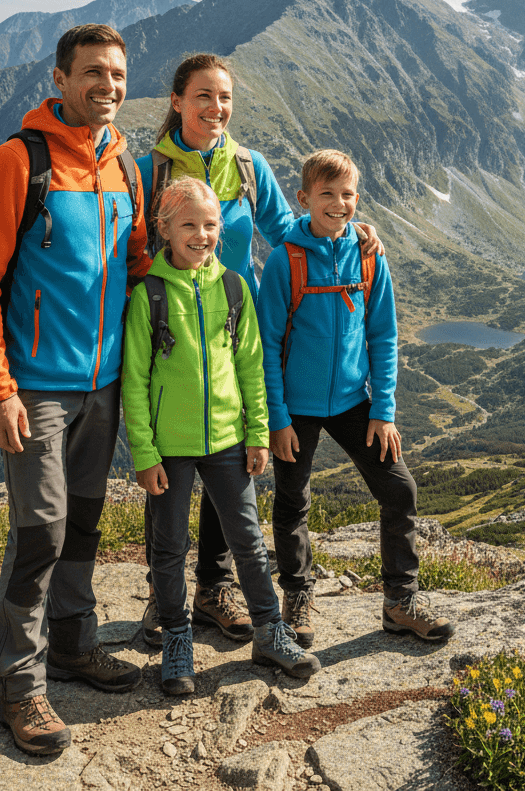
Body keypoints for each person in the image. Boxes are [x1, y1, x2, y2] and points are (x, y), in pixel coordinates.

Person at [136, 53, 382, 647]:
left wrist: (353, 234)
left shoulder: (249, 168)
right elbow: (127, 245)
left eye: (223, 97)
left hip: (226, 328)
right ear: (177, 102)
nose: (215, 108)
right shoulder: (147, 171)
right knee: (168, 474)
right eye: (203, 96)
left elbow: (289, 229)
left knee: (223, 461)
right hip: (165, 327)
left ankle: (213, 590)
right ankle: (161, 600)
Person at [0, 24, 149, 755]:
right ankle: (21, 687)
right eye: (94, 73)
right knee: (38, 533)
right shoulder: (16, 162)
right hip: (35, 387)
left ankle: (73, 645)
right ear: (62, 79)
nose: (108, 86)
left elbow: (135, 267)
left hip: (103, 387)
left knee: (87, 524)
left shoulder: (124, 169)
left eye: (118, 75)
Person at [121, 177, 320, 692]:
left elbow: (251, 365)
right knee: (168, 548)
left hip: (230, 440)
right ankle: (177, 639)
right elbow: (134, 384)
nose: (202, 234)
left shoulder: (233, 287)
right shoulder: (150, 294)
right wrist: (145, 452)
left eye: (210, 225)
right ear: (163, 229)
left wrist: (258, 433)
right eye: (189, 224)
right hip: (170, 447)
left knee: (249, 544)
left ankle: (270, 631)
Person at [257, 149, 456, 647]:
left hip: (353, 402)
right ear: (303, 199)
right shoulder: (286, 260)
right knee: (291, 501)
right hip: (296, 408)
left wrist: (384, 410)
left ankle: (400, 600)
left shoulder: (369, 256)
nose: (338, 203)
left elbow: (383, 336)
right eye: (326, 194)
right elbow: (267, 344)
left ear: (357, 200)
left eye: (347, 195)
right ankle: (297, 595)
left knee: (399, 490)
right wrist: (277, 418)